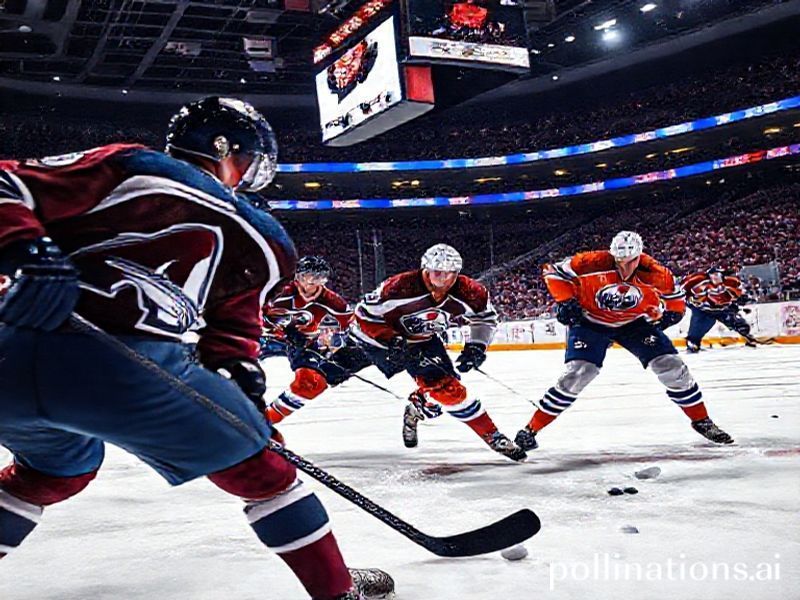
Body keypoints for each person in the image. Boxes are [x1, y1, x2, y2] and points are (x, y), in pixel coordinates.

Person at [0, 97, 390, 600]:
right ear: (226, 149)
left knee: (55, 472)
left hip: (6, 357)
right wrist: (241, 378)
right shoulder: (265, 235)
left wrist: (26, 248)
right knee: (266, 472)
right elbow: (231, 335)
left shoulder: (128, 163)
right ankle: (338, 592)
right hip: (123, 372)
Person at [266, 243, 526, 462]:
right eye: (437, 273)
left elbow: (485, 318)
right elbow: (363, 316)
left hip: (422, 340)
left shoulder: (471, 292)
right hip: (369, 340)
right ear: (425, 269)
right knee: (310, 383)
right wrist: (391, 341)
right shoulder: (400, 287)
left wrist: (476, 346)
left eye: (450, 274)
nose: (443, 280)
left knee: (449, 391)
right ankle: (262, 424)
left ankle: (492, 436)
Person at [515, 231, 734, 451]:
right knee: (578, 373)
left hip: (633, 323)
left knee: (672, 365)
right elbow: (551, 271)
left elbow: (675, 300)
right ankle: (530, 429)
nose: (623, 268)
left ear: (640, 256)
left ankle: (701, 420)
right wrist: (565, 301)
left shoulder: (657, 273)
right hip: (590, 321)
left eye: (629, 262)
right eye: (618, 261)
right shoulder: (591, 261)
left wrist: (671, 315)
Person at [263, 256, 353, 423]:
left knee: (311, 384)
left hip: (303, 344)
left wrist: (330, 340)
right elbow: (252, 316)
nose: (312, 281)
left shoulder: (332, 301)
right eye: (308, 275)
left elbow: (349, 327)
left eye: (318, 277)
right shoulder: (279, 292)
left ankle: (264, 422)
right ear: (298, 276)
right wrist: (284, 330)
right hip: (263, 340)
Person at [681, 266, 753, 351]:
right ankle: (693, 342)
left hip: (722, 309)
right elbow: (683, 290)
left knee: (739, 324)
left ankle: (748, 337)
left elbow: (737, 294)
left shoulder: (730, 282)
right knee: (698, 329)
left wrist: (740, 299)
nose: (717, 277)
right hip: (703, 310)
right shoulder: (697, 281)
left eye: (718, 274)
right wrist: (688, 301)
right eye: (714, 274)